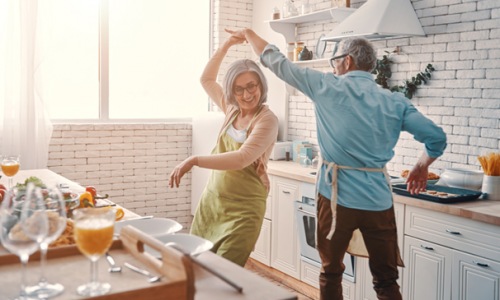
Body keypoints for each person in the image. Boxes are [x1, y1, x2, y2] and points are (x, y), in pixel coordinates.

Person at [228, 28, 447, 299]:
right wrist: (422, 165)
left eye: (335, 61)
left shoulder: (326, 86)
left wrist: (249, 33)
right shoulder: (394, 101)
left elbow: (277, 62)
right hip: (378, 202)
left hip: (334, 200)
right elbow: (437, 139)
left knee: (331, 272)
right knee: (386, 280)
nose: (334, 68)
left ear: (347, 61)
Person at [168, 31, 278, 267]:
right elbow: (206, 80)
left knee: (223, 273)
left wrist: (194, 160)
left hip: (243, 210)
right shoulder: (232, 109)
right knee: (195, 267)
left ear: (261, 84)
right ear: (231, 91)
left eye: (252, 86)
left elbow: (242, 158)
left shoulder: (267, 120)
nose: (247, 94)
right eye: (239, 89)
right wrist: (226, 44)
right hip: (212, 204)